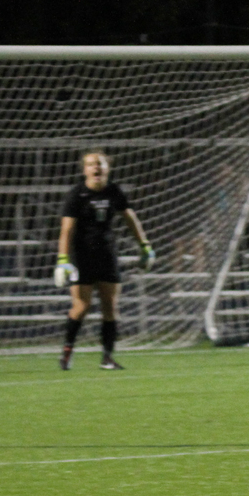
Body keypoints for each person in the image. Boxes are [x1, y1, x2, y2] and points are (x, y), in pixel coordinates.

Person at [54, 151, 154, 371]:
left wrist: (145, 246)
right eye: (90, 164)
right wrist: (63, 260)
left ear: (107, 168)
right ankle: (67, 352)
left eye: (99, 164)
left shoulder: (114, 191)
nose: (95, 168)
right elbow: (66, 229)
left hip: (107, 254)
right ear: (85, 170)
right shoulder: (76, 194)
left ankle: (107, 358)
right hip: (82, 256)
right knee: (81, 306)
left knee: (110, 307)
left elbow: (130, 219)